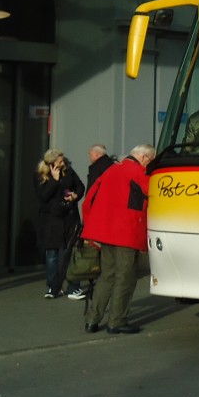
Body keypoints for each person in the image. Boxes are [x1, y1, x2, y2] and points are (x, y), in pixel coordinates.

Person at [81, 143, 154, 335]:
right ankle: (117, 321)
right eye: (150, 162)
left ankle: (92, 320)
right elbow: (155, 195)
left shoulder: (111, 170)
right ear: (145, 158)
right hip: (126, 233)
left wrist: (91, 228)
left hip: (105, 232)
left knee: (106, 276)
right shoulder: (139, 173)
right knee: (125, 277)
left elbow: (89, 200)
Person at [34, 149, 86, 299]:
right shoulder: (40, 175)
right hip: (51, 219)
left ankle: (73, 286)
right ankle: (53, 286)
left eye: (63, 160)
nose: (63, 163)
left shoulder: (68, 170)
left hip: (69, 216)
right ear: (51, 163)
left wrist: (75, 196)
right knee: (52, 254)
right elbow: (43, 196)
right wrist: (55, 181)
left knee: (72, 252)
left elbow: (80, 186)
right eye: (60, 161)